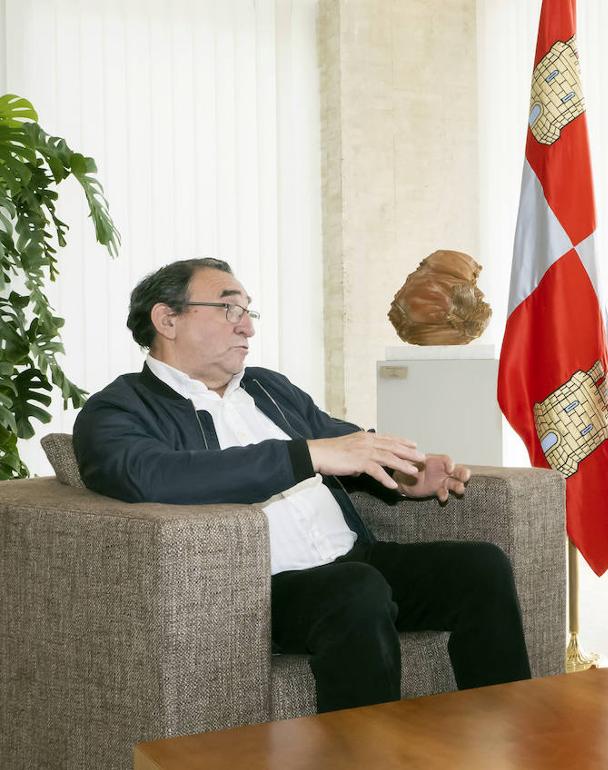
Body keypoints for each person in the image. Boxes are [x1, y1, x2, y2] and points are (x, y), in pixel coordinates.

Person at [74, 258, 532, 713]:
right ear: (167, 319)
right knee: (356, 589)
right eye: (229, 309)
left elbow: (342, 440)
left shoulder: (268, 388)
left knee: (480, 567)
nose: (247, 328)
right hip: (260, 589)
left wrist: (405, 475)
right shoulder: (118, 410)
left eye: (248, 312)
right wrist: (304, 455)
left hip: (352, 561)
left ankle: (504, 741)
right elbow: (148, 473)